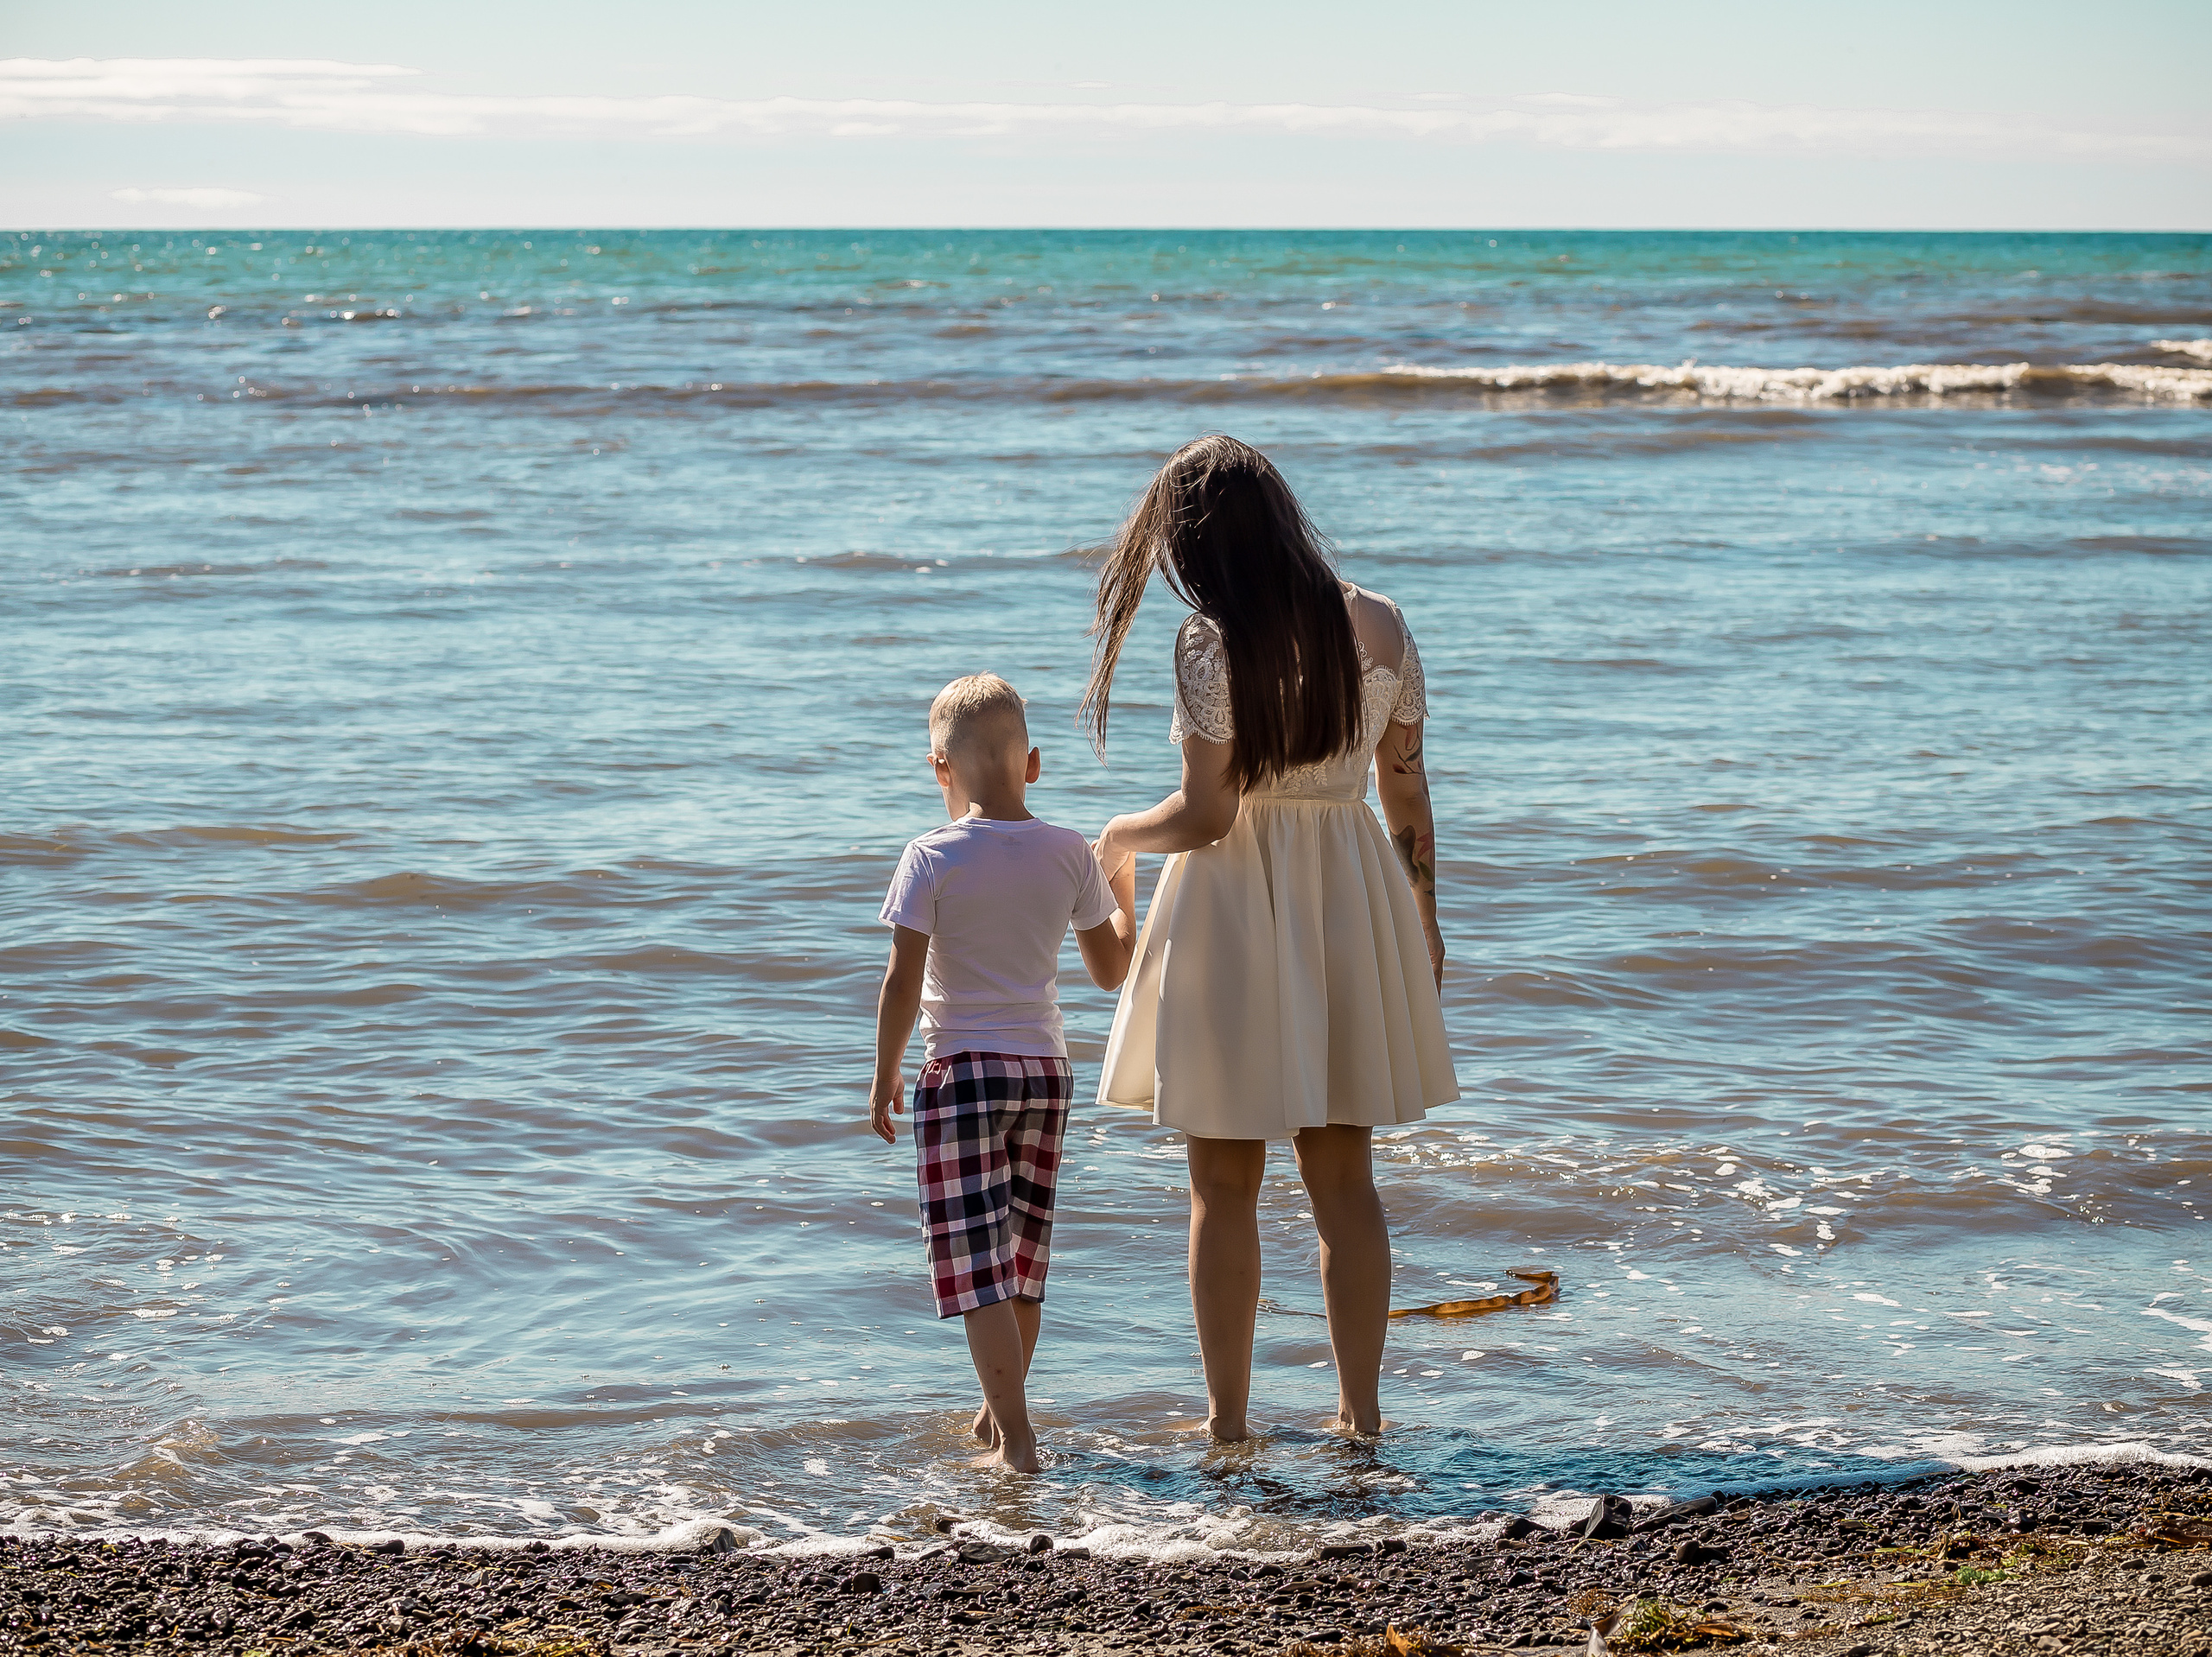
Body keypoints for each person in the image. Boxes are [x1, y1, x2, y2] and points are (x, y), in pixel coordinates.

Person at [1086, 435, 1459, 1443]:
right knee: (1345, 1179)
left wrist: (1118, 836)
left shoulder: (1214, 638)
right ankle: (1362, 1418)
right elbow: (1404, 785)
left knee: (1222, 1183)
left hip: (1233, 898)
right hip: (1353, 892)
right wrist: (1422, 917)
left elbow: (1206, 816)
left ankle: (1229, 1425)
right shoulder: (1378, 619)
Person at [869, 672, 1137, 1473]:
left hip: (962, 1072)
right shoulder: (1067, 853)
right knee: (1022, 1260)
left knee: (975, 1265)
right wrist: (1125, 889)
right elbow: (1110, 968)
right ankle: (997, 1420)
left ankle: (1018, 1440)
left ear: (938, 769)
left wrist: (884, 1074)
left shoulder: (930, 856)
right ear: (1035, 765)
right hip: (1044, 1074)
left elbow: (901, 979)